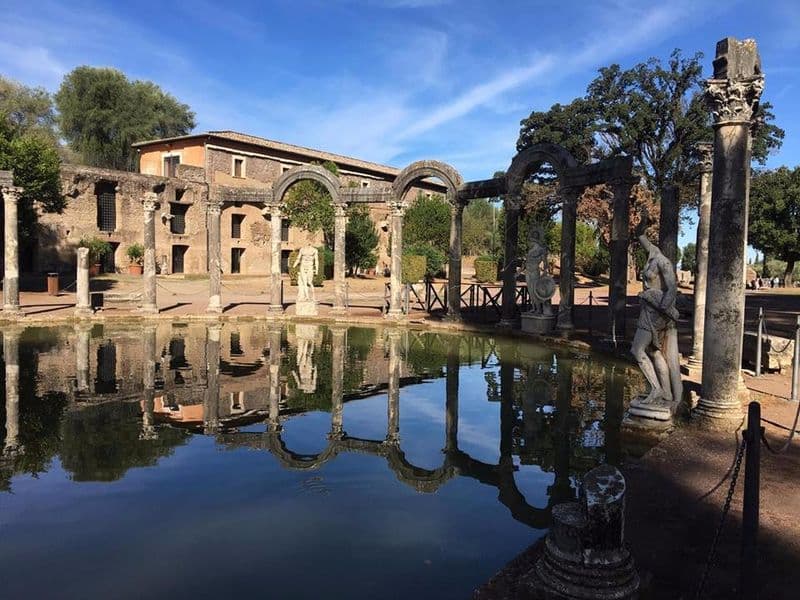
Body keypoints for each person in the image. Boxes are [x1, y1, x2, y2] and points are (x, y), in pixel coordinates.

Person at [631, 211, 682, 407]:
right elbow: (639, 235)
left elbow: (671, 289)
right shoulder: (652, 255)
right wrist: (643, 222)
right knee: (654, 352)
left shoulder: (663, 262)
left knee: (637, 350)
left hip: (656, 312)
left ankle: (656, 389)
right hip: (648, 308)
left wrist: (661, 307)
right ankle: (666, 392)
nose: (645, 245)